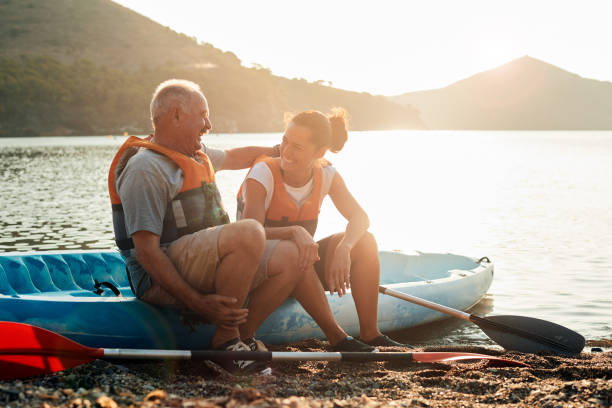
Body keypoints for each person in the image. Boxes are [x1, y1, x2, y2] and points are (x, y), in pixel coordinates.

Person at [108, 79, 304, 373]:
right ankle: (224, 343)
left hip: (198, 263)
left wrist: (283, 150)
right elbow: (147, 254)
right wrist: (199, 304)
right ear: (176, 115)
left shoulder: (196, 154)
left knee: (290, 254)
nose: (208, 124)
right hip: (157, 278)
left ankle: (242, 336)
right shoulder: (145, 168)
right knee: (250, 231)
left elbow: (237, 156)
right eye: (203, 114)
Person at [237, 108, 408, 348]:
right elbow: (250, 230)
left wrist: (345, 248)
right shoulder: (262, 173)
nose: (286, 151)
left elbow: (360, 217)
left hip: (300, 267)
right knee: (296, 249)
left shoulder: (327, 174)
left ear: (319, 152)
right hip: (260, 272)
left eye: (297, 147)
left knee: (364, 241)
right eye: (284, 141)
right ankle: (337, 337)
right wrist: (293, 232)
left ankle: (370, 333)